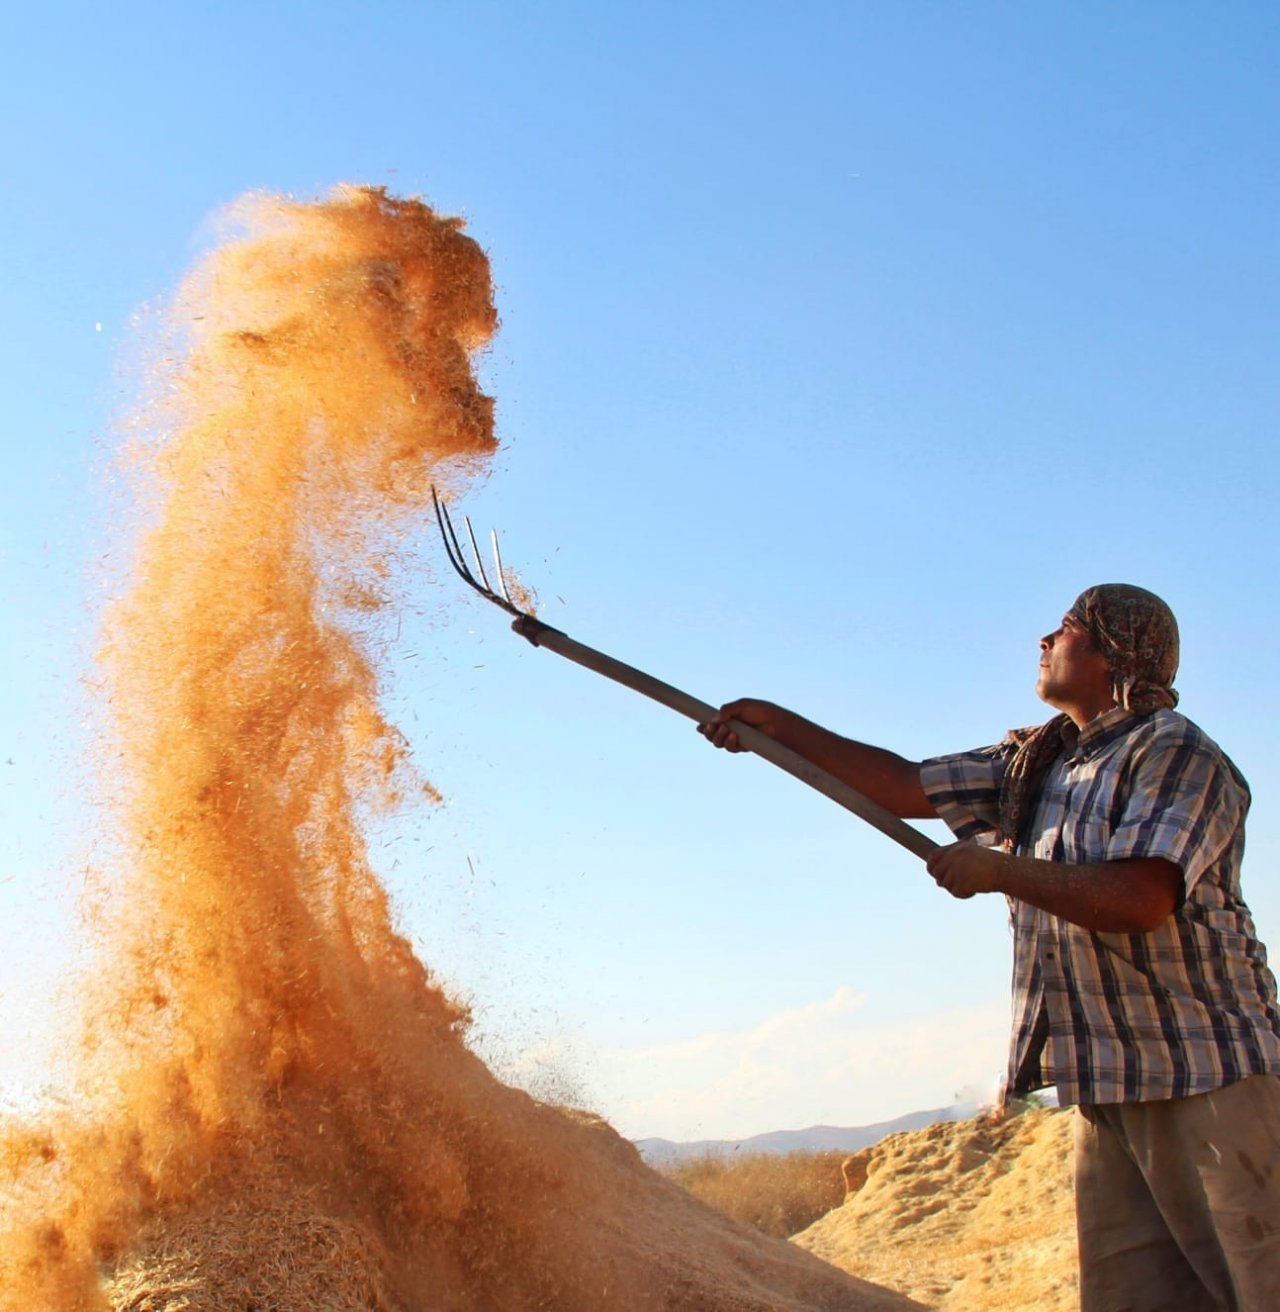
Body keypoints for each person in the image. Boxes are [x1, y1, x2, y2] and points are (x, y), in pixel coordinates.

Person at [699, 583, 1280, 1311]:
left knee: (1258, 1283)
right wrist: (773, 726)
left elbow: (1142, 898)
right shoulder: (1036, 765)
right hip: (1109, 1084)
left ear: (1113, 656)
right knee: (1137, 1295)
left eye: (1066, 628)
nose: (1043, 639)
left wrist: (1000, 869)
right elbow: (903, 783)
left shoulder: (1173, 752)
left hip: (1209, 1077)